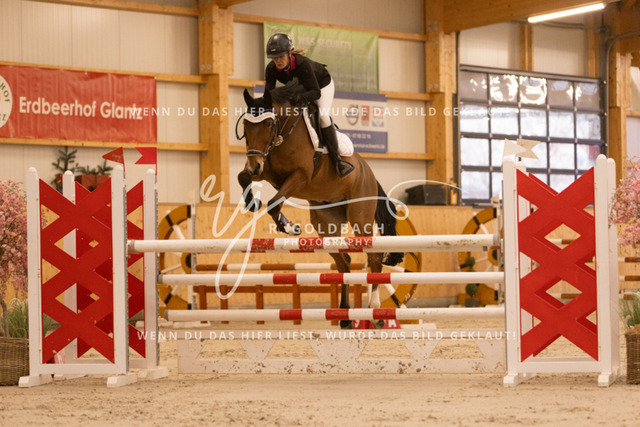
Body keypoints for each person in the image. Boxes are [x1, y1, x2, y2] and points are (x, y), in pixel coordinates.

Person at [264, 33, 354, 178]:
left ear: (289, 53)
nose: (278, 61)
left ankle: (337, 161)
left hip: (321, 85)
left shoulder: (302, 64)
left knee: (323, 116)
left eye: (281, 56)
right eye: (274, 58)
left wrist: (299, 98)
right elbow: (268, 95)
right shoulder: (271, 69)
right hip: (300, 87)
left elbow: (315, 92)